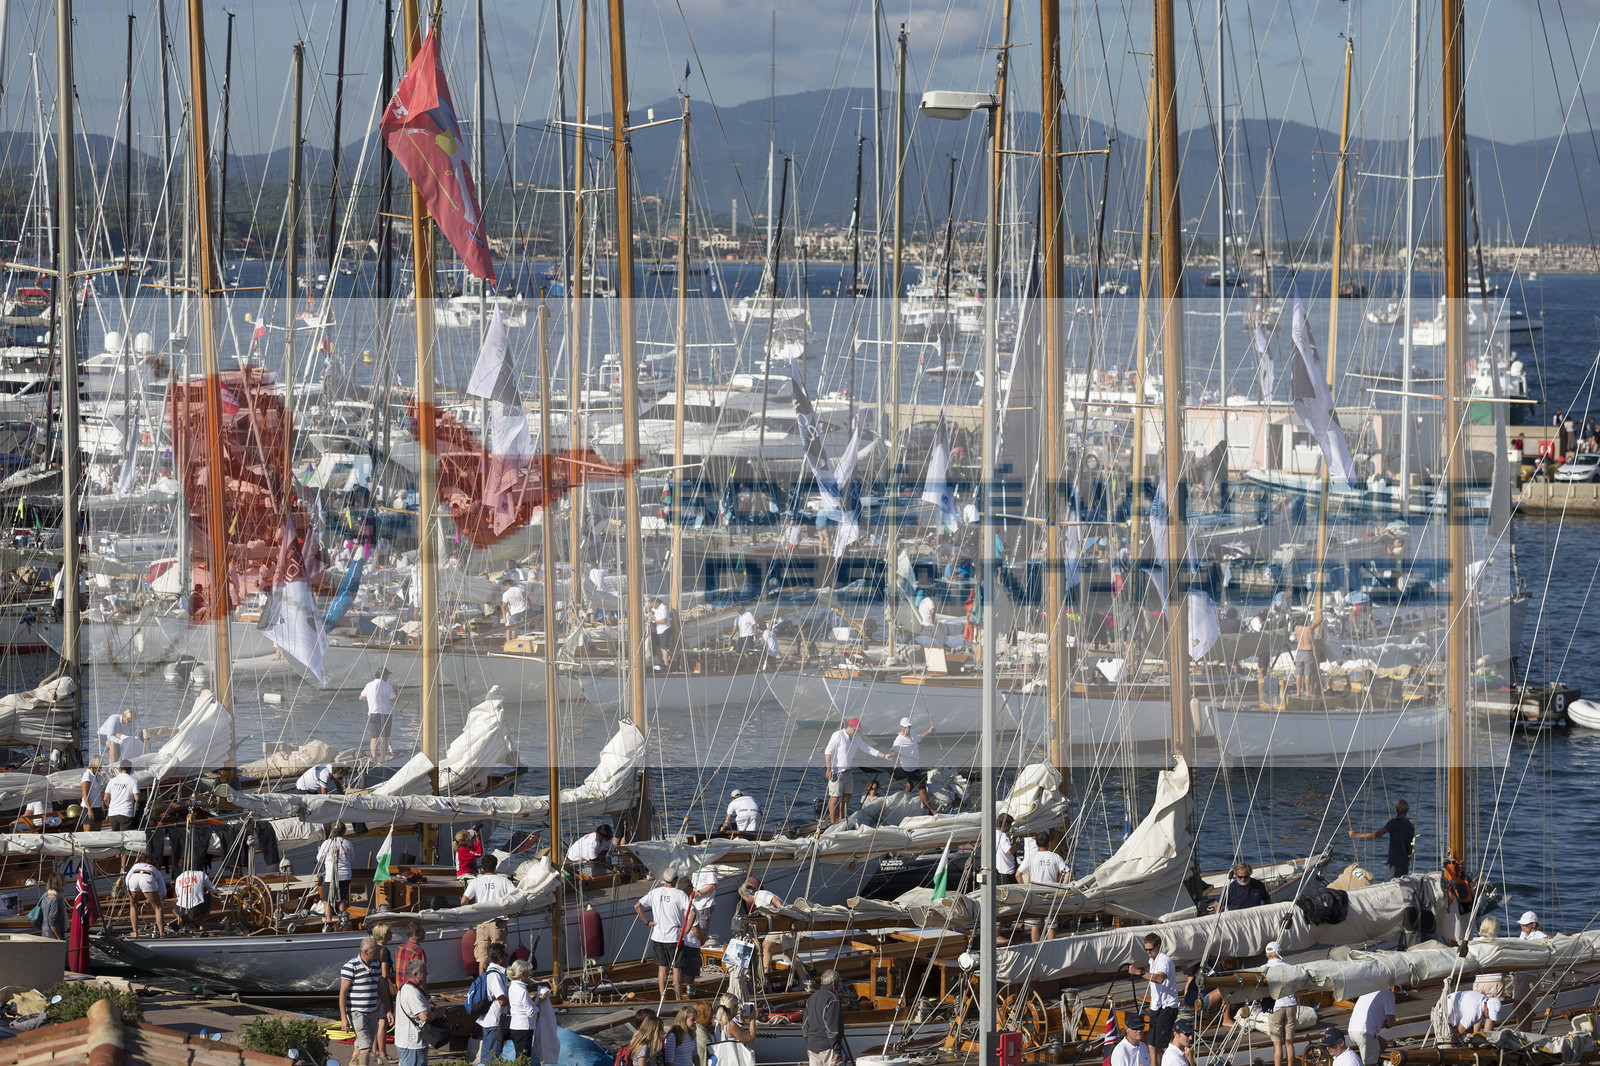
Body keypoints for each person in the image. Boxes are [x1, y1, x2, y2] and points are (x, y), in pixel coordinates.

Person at [636, 866, 693, 1000]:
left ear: (663, 879)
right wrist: (687, 929)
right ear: (676, 880)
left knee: (662, 968)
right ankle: (678, 997)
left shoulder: (655, 892)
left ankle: (663, 997)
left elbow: (637, 906)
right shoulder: (680, 894)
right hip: (675, 937)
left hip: (658, 936)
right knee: (677, 968)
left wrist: (647, 922)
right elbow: (693, 912)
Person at [822, 717, 888, 826]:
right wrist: (829, 769)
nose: (857, 731)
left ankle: (841, 818)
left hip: (847, 771)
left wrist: (884, 756)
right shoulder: (838, 735)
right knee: (835, 797)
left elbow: (868, 749)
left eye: (858, 730)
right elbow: (828, 752)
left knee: (848, 795)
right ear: (849, 726)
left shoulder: (856, 737)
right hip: (836, 771)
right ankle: (833, 823)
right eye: (855, 729)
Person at [341, 937, 392, 1066]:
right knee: (367, 1046)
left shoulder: (375, 965)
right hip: (357, 1012)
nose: (378, 952)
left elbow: (380, 988)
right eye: (375, 950)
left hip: (372, 1011)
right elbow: (343, 993)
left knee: (359, 1046)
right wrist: (343, 1018)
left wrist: (388, 1009)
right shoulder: (350, 966)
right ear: (366, 952)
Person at [1129, 933, 1180, 1054]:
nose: (1148, 952)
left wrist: (1139, 973)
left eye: (1150, 949)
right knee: (1151, 1045)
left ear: (1158, 947)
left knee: (1160, 1046)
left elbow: (1160, 979)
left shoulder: (1164, 960)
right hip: (1156, 1006)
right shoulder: (1152, 961)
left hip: (1167, 1007)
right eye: (1146, 950)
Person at [1018, 833, 1068, 942]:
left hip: (1035, 893)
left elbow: (1018, 874)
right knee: (1051, 924)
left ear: (1036, 844)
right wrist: (1063, 887)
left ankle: (1035, 946)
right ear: (1049, 843)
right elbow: (1067, 871)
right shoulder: (1055, 857)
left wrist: (1024, 888)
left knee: (1035, 925)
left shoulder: (1031, 857)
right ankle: (1050, 947)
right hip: (1051, 893)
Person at [1349, 800, 1415, 878]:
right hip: (1404, 864)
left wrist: (1356, 835)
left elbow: (1377, 835)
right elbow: (1411, 848)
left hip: (1394, 863)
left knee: (1389, 885)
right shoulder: (1410, 826)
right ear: (1406, 810)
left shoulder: (1394, 823)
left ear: (1396, 809)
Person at [890, 717, 938, 815]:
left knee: (910, 784)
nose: (908, 729)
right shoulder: (899, 740)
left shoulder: (912, 734)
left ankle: (905, 799)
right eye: (906, 727)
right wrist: (892, 754)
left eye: (909, 727)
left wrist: (929, 731)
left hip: (915, 765)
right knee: (922, 788)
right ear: (901, 727)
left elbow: (920, 736)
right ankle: (931, 810)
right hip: (909, 769)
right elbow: (894, 748)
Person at [474, 942, 510, 1065]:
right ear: (500, 957)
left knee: (488, 1054)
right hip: (494, 1021)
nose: (507, 957)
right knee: (492, 1056)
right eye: (506, 954)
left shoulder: (492, 971)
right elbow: (501, 1000)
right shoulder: (494, 975)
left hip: (490, 1020)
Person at [802, 969, 846, 1066]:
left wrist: (808, 1046)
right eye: (839, 982)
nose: (839, 985)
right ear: (833, 983)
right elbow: (832, 1027)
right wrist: (837, 1050)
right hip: (828, 1047)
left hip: (813, 1047)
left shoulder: (811, 998)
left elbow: (805, 1025)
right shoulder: (833, 999)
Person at [1265, 942, 1297, 1066]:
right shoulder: (1289, 967)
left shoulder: (1264, 969)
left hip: (1276, 1007)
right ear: (1280, 952)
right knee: (1289, 1042)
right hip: (1290, 1005)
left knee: (1277, 1044)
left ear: (1267, 954)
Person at [1348, 986, 1397, 1065]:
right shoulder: (1388, 994)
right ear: (1393, 988)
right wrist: (1386, 1023)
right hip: (1364, 1032)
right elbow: (1390, 1022)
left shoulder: (1368, 991)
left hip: (1352, 1030)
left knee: (1383, 1044)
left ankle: (1373, 1060)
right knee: (1370, 1064)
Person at [124, 853, 167, 938]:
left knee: (133, 906)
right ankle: (162, 934)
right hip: (148, 877)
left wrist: (130, 889)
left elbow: (127, 880)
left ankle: (135, 933)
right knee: (158, 907)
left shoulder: (136, 865)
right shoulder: (156, 870)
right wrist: (152, 901)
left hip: (133, 878)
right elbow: (163, 892)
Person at [318, 824, 355, 920]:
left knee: (326, 900)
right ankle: (343, 921)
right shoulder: (348, 843)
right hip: (345, 875)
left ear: (332, 831)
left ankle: (328, 921)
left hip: (331, 876)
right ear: (344, 831)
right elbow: (351, 858)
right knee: (342, 900)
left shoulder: (327, 843)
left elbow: (319, 858)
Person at [361, 668, 398, 761]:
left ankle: (374, 759)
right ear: (384, 676)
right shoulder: (387, 686)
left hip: (373, 714)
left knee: (374, 738)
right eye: (387, 675)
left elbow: (361, 697)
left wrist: (371, 698)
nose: (388, 677)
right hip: (385, 714)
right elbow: (394, 700)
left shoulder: (369, 685)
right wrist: (395, 691)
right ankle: (382, 759)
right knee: (384, 738)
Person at [506, 959, 535, 1061]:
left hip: (515, 1026)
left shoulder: (512, 987)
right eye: (528, 973)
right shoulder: (522, 990)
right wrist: (539, 1004)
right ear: (522, 975)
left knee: (519, 1056)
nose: (529, 975)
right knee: (524, 1058)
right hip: (524, 1027)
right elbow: (530, 1013)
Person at [174, 866, 218, 931]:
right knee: (209, 896)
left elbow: (178, 895)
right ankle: (202, 924)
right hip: (197, 909)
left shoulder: (179, 878)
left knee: (174, 906)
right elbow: (213, 890)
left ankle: (179, 918)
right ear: (194, 864)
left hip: (181, 910)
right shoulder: (201, 874)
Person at [105, 759, 141, 834]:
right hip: (125, 813)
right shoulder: (133, 781)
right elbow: (137, 798)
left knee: (116, 837)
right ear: (130, 769)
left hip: (113, 813)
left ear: (119, 769)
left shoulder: (112, 781)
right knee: (125, 837)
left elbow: (105, 799)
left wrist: (110, 806)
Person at [395, 922, 428, 992]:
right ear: (415, 933)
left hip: (400, 989)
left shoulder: (400, 947)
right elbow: (420, 975)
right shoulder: (418, 951)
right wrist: (426, 992)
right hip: (413, 990)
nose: (424, 933)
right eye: (422, 931)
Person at [1292, 619, 1318, 699]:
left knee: (1298, 673)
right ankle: (1307, 692)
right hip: (1307, 652)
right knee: (1307, 674)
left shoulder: (1296, 628)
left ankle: (1298, 692)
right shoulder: (1309, 629)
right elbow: (1319, 621)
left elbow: (1295, 623)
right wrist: (1320, 612)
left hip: (1299, 651)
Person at [35, 874, 67, 940]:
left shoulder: (45, 896)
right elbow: (52, 922)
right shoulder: (55, 900)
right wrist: (59, 937)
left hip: (45, 935)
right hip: (53, 938)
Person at [79, 756, 105, 830]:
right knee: (89, 833)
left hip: (98, 807)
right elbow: (85, 793)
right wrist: (89, 810)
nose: (101, 767)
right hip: (89, 808)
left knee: (97, 832)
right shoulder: (88, 775)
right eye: (100, 765)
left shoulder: (96, 775)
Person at [995, 813, 1018, 886]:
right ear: (1006, 824)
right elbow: (1009, 851)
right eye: (1010, 824)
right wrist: (1016, 846)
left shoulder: (994, 833)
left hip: (998, 870)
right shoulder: (1003, 835)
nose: (1011, 826)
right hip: (1007, 871)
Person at [652, 597, 674, 669]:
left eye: (653, 604)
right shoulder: (656, 609)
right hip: (659, 630)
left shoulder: (663, 607)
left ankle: (666, 664)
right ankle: (660, 662)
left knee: (663, 648)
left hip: (665, 629)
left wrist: (654, 621)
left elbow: (664, 620)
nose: (653, 606)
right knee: (658, 647)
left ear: (657, 603)